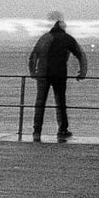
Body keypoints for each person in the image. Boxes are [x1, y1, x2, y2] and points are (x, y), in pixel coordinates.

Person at [26, 11, 88, 141]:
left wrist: (33, 72)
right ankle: (62, 129)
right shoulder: (67, 39)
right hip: (59, 74)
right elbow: (81, 55)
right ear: (63, 28)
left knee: (40, 102)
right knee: (60, 102)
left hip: (43, 74)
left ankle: (37, 130)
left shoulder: (45, 38)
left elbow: (33, 56)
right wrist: (82, 72)